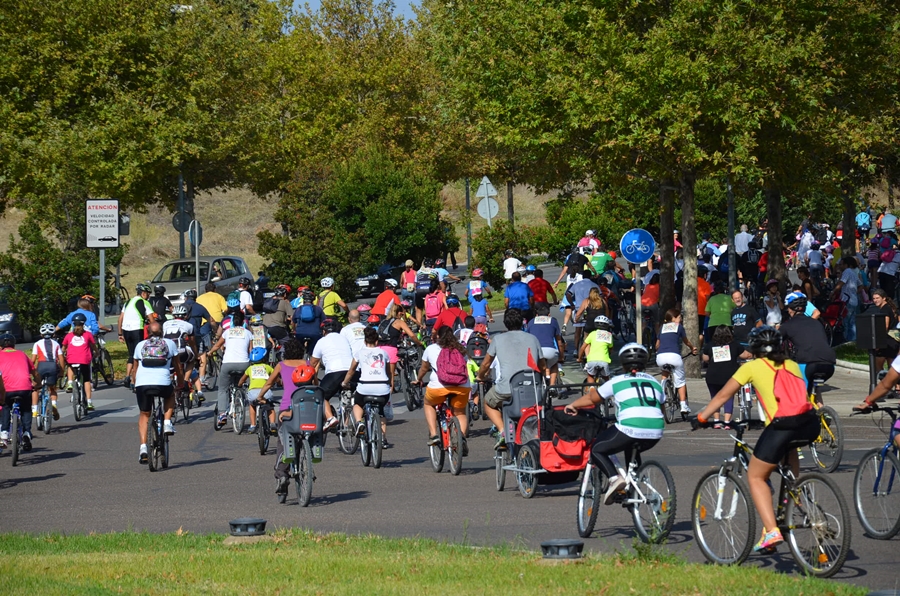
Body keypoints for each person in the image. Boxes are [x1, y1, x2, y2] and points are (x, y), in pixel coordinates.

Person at [696, 326, 820, 552]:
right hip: (809, 423)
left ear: (754, 349)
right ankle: (792, 497)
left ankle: (772, 531)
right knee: (787, 454)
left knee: (755, 476)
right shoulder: (791, 364)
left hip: (782, 425)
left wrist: (702, 417)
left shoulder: (751, 367)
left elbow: (724, 394)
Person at [565, 343, 665, 505]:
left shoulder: (617, 381)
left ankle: (614, 478)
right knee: (631, 447)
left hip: (630, 426)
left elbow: (592, 398)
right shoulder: (654, 381)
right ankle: (634, 487)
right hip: (656, 430)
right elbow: (660, 406)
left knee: (597, 449)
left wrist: (573, 405)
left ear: (623, 363)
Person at [475, 309, 545, 449]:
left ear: (505, 323)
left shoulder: (498, 339)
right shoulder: (533, 338)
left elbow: (486, 363)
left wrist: (480, 376)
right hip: (531, 389)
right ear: (522, 322)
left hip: (506, 388)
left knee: (488, 403)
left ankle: (502, 431)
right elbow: (542, 366)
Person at [254, 339, 315, 495]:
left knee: (283, 441)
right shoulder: (308, 365)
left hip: (287, 408)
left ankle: (282, 474)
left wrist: (260, 396)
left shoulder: (282, 365)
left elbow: (269, 383)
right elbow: (315, 386)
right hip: (307, 408)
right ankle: (309, 458)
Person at [133, 322, 183, 463]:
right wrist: (181, 383)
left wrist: (134, 383)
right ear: (162, 332)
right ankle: (167, 422)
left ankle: (143, 447)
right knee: (170, 394)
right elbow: (177, 366)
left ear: (147, 332)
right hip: (162, 383)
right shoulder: (170, 344)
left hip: (142, 384)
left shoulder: (140, 345)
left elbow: (135, 368)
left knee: (144, 414)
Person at [416, 325, 471, 448]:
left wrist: (418, 379)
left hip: (439, 387)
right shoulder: (461, 349)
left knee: (428, 404)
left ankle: (434, 434)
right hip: (461, 386)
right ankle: (461, 437)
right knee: (460, 412)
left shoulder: (430, 349)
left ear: (438, 337)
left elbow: (424, 368)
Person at [343, 327, 394, 449]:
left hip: (365, 387)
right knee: (381, 412)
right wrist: (389, 384)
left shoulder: (359, 353)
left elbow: (351, 371)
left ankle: (359, 422)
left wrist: (345, 382)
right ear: (377, 341)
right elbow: (388, 372)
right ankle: (383, 438)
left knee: (358, 403)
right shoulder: (384, 353)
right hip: (382, 388)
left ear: (365, 341)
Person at [780, 291, 837, 396]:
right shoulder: (817, 323)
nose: (788, 311)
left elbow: (773, 341)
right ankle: (821, 410)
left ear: (792, 309)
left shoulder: (788, 326)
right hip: (830, 364)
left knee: (799, 395)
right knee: (814, 391)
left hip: (808, 364)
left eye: (788, 308)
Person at [209, 310, 253, 430]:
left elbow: (218, 345)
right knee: (240, 384)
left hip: (228, 364)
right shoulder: (248, 333)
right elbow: (250, 350)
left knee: (223, 389)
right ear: (244, 321)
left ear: (233, 321)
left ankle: (222, 413)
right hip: (244, 364)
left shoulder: (227, 332)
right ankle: (241, 399)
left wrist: (210, 352)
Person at [701, 326, 751, 428]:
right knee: (729, 397)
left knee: (714, 397)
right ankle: (727, 422)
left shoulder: (710, 345)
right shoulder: (735, 345)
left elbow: (705, 358)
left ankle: (716, 421)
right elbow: (745, 355)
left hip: (712, 375)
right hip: (729, 375)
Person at [309, 318, 352, 432]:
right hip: (351, 371)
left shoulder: (322, 341)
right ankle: (350, 422)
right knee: (352, 395)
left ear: (323, 331)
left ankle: (330, 418)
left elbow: (313, 363)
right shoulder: (344, 338)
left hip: (335, 372)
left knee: (321, 395)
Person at [655, 308, 698, 414]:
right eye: (679, 317)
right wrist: (693, 348)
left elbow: (657, 345)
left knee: (665, 371)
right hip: (674, 356)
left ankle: (663, 390)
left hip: (660, 357)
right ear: (673, 318)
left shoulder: (662, 327)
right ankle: (683, 405)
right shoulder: (679, 327)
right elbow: (686, 341)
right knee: (680, 381)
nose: (681, 319)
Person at [0, 334, 37, 451]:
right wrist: (38, 384)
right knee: (26, 409)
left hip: (7, 389)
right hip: (24, 387)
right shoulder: (22, 354)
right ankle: (26, 432)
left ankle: (4, 433)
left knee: (5, 406)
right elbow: (35, 372)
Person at [118, 283, 155, 389]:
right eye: (148, 294)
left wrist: (120, 333)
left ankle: (127, 376)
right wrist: (157, 332)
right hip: (137, 329)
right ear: (143, 293)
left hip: (126, 330)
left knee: (131, 354)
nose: (148, 297)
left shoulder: (128, 302)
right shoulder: (144, 302)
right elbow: (152, 320)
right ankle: (134, 381)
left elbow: (120, 319)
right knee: (137, 355)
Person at [525, 302, 565, 386]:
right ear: (549, 314)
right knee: (554, 364)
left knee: (537, 366)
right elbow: (559, 341)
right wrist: (561, 356)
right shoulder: (553, 321)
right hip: (550, 350)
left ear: (536, 314)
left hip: (535, 351)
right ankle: (552, 386)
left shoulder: (531, 322)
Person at [62, 313, 96, 409]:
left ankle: (69, 382)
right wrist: (96, 352)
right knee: (86, 380)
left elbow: (64, 347)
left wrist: (62, 354)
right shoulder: (88, 334)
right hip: (85, 360)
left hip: (72, 359)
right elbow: (93, 346)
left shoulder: (69, 336)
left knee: (70, 366)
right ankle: (89, 402)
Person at [31, 323, 64, 421]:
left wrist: (30, 371)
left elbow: (33, 360)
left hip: (41, 365)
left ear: (41, 335)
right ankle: (53, 405)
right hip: (53, 366)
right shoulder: (56, 344)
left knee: (35, 388)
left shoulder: (37, 344)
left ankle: (35, 410)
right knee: (52, 389)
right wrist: (61, 371)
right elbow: (61, 359)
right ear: (53, 334)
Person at [162, 304, 198, 394]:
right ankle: (185, 380)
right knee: (191, 360)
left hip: (166, 352)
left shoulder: (165, 324)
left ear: (173, 315)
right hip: (181, 351)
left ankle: (169, 381)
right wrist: (196, 355)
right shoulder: (189, 325)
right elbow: (192, 342)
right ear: (185, 316)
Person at [239, 347, 275, 434]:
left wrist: (240, 384)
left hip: (253, 392)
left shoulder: (250, 369)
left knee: (252, 405)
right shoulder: (267, 367)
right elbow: (276, 377)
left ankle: (253, 425)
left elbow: (242, 380)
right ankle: (273, 424)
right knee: (270, 406)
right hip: (266, 392)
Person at [831, 256, 862, 342]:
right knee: (852, 322)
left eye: (841, 264)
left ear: (846, 265)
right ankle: (853, 340)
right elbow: (861, 285)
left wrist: (832, 292)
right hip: (854, 300)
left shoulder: (847, 271)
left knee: (845, 322)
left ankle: (846, 341)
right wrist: (854, 292)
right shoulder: (852, 273)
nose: (839, 266)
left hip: (847, 300)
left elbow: (841, 284)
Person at [868, 289, 900, 371]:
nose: (875, 300)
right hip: (895, 340)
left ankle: (883, 382)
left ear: (884, 298)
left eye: (877, 298)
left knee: (877, 366)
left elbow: (884, 326)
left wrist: (879, 342)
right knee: (892, 369)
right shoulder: (891, 308)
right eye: (874, 298)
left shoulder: (884, 309)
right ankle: (893, 383)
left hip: (887, 340)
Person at [579, 315, 614, 383]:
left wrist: (579, 358)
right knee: (606, 378)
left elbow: (583, 347)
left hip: (592, 360)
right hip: (604, 361)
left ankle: (591, 388)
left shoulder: (592, 334)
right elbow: (611, 349)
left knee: (590, 376)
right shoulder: (609, 335)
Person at [293, 288, 325, 359]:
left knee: (298, 349)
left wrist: (294, 330)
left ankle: (298, 360)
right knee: (315, 351)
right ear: (313, 299)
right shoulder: (318, 309)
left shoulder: (298, 309)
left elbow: (293, 321)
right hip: (315, 333)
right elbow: (324, 321)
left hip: (300, 333)